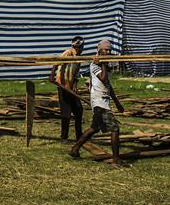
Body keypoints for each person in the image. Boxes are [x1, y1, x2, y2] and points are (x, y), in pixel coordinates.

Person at [69, 39, 127, 168]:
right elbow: (103, 78)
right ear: (99, 50)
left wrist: (117, 103)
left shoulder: (102, 65)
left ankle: (75, 149)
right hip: (99, 101)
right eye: (105, 50)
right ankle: (115, 160)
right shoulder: (94, 65)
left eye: (109, 50)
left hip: (103, 100)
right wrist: (103, 63)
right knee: (115, 129)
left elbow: (108, 85)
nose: (107, 52)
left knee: (94, 128)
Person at [49, 35, 85, 141]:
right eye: (79, 46)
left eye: (82, 46)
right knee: (66, 112)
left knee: (78, 110)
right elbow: (56, 62)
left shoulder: (79, 58)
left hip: (70, 87)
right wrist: (52, 75)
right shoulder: (68, 53)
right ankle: (64, 136)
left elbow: (76, 75)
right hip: (62, 86)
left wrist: (75, 86)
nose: (81, 48)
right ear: (76, 46)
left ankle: (79, 135)